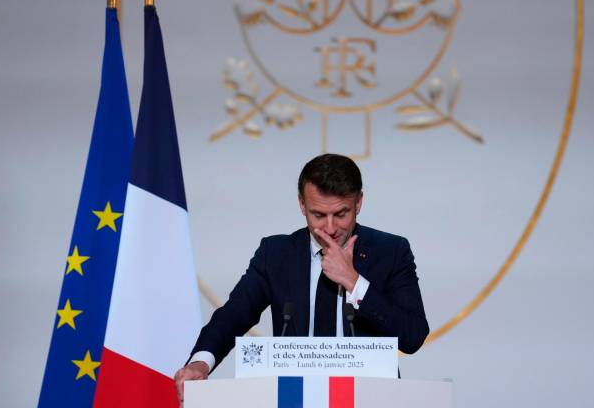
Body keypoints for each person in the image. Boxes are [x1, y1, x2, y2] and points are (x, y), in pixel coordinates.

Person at [174, 153, 429, 393]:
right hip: (294, 397)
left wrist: (353, 281)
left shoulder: (391, 251)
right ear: (301, 204)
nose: (330, 228)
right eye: (318, 215)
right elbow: (233, 315)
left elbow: (413, 336)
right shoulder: (275, 253)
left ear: (359, 202)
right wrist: (200, 363)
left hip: (370, 398)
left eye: (341, 214)